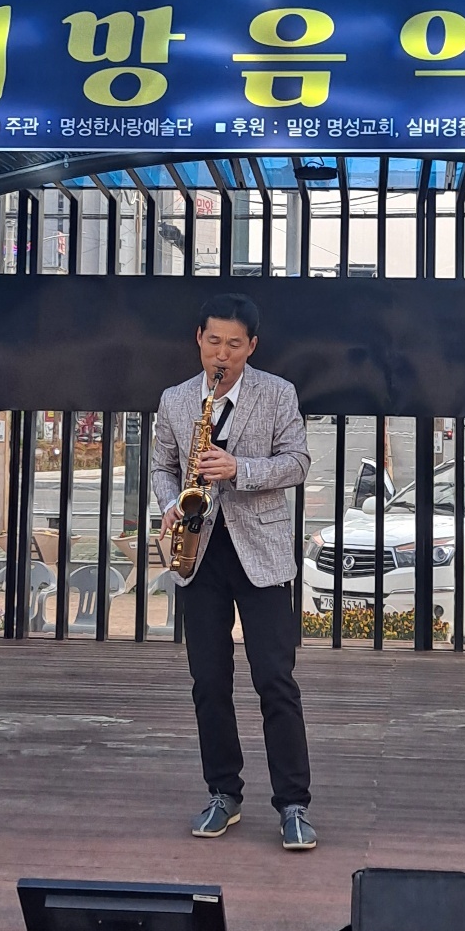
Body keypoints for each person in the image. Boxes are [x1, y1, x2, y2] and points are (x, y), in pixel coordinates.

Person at [152, 292, 316, 851]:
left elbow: (297, 463)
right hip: (198, 552)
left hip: (261, 553)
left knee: (275, 679)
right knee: (209, 681)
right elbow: (162, 465)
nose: (222, 354)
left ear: (253, 346)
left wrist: (237, 468)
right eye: (214, 342)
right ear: (198, 339)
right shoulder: (176, 399)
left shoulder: (278, 393)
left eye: (235, 344)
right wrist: (171, 503)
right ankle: (223, 792)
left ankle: (293, 803)